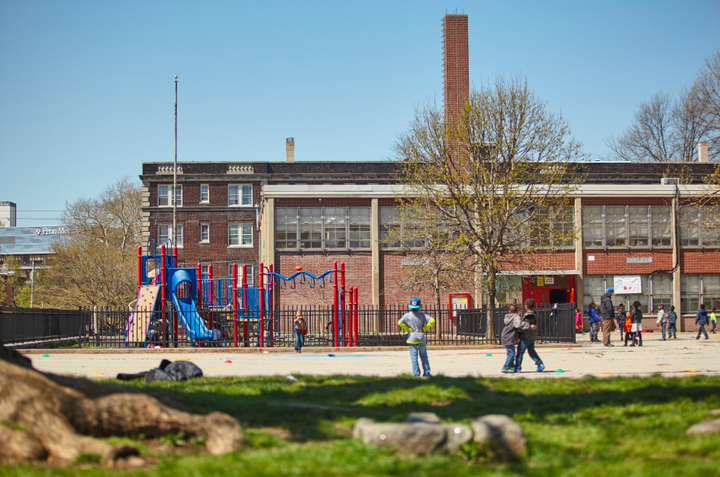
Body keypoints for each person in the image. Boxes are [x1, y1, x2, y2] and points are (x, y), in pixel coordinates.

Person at [398, 297, 435, 377]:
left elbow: (400, 322)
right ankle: (426, 372)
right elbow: (432, 320)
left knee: (414, 356)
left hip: (412, 337)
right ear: (419, 306)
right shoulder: (423, 315)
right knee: (424, 355)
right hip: (420, 337)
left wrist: (408, 328)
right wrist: (424, 328)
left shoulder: (407, 315)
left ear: (410, 306)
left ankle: (416, 373)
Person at [500, 304, 535, 373]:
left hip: (505, 335)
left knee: (510, 353)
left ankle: (511, 367)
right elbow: (518, 324)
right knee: (511, 354)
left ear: (509, 311)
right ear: (516, 311)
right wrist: (529, 326)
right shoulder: (516, 316)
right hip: (509, 336)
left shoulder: (508, 317)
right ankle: (506, 367)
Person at [515, 298, 545, 373]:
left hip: (525, 336)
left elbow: (525, 325)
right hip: (532, 335)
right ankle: (540, 363)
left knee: (520, 352)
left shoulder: (528, 315)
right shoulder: (535, 313)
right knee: (531, 350)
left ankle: (518, 367)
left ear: (526, 306)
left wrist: (519, 331)